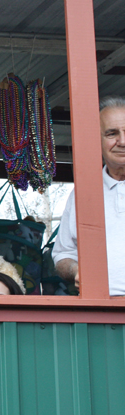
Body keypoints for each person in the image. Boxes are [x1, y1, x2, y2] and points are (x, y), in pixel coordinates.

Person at [53, 96, 125, 296]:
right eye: (112, 133)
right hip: (100, 313)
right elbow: (62, 255)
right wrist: (76, 270)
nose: (122, 141)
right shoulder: (83, 193)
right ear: (97, 140)